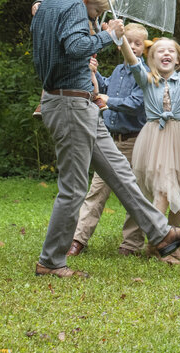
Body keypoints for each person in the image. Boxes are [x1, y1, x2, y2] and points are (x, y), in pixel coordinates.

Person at [30, 0, 180, 278]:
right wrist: (108, 35)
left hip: (76, 103)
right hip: (70, 104)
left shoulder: (47, 7)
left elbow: (55, 52)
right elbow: (76, 47)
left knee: (121, 175)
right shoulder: (69, 5)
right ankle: (51, 261)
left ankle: (161, 233)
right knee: (72, 188)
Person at [120, 15, 180, 263]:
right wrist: (120, 38)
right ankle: (159, 242)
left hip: (177, 137)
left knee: (177, 191)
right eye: (160, 51)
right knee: (163, 190)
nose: (166, 54)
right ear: (151, 59)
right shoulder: (147, 79)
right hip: (155, 137)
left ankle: (173, 241)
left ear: (179, 59)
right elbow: (131, 61)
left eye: (171, 51)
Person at [69, 23, 150, 258]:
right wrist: (94, 74)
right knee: (97, 190)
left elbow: (136, 104)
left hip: (135, 141)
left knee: (136, 191)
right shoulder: (117, 71)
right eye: (129, 42)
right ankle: (78, 239)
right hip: (111, 141)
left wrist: (109, 100)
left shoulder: (142, 73)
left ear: (144, 49)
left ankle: (131, 243)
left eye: (138, 44)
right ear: (119, 45)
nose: (133, 47)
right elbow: (103, 88)